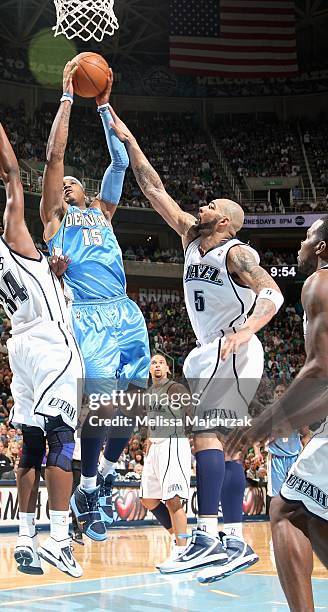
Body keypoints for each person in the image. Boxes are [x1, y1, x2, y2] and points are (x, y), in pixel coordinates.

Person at [110, 109, 284, 581]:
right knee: (224, 447)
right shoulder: (192, 237)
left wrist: (245, 331)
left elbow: (273, 292)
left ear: (225, 220)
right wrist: (125, 134)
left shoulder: (237, 252)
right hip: (212, 349)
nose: (201, 206)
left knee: (206, 436)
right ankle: (233, 543)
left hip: (232, 347)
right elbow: (154, 189)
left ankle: (206, 537)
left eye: (210, 205)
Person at [0, 79, 83, 578]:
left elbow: (37, 278)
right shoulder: (9, 237)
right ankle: (58, 538)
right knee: (62, 438)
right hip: (52, 346)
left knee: (32, 444)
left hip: (20, 350)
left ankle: (26, 537)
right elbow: (12, 173)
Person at [41, 63, 150, 541]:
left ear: (87, 190)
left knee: (137, 400)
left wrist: (104, 107)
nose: (67, 186)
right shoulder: (54, 220)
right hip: (88, 315)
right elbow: (54, 157)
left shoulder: (103, 211)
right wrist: (68, 98)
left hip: (125, 310)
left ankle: (104, 471)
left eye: (73, 183)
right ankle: (88, 486)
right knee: (102, 405)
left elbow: (121, 163)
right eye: (63, 184)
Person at [226, 218, 328, 611]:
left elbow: (320, 371)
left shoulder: (319, 283)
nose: (301, 245)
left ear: (321, 247)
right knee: (310, 515)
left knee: (286, 511)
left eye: (307, 237)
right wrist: (282, 421)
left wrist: (261, 425)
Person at [140, 354, 191, 573]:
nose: (157, 365)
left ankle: (182, 552)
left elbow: (191, 411)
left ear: (167, 369)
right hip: (156, 446)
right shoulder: (149, 393)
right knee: (148, 499)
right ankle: (179, 538)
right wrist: (150, 437)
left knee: (173, 500)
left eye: (161, 362)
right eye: (153, 362)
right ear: (149, 370)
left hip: (173, 443)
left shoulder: (175, 388)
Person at [266, 384, 303, 498]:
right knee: (276, 494)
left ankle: (295, 516)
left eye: (282, 391)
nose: (279, 394)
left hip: (294, 456)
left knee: (296, 492)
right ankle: (275, 516)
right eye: (277, 391)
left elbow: (305, 433)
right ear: (273, 395)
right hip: (277, 457)